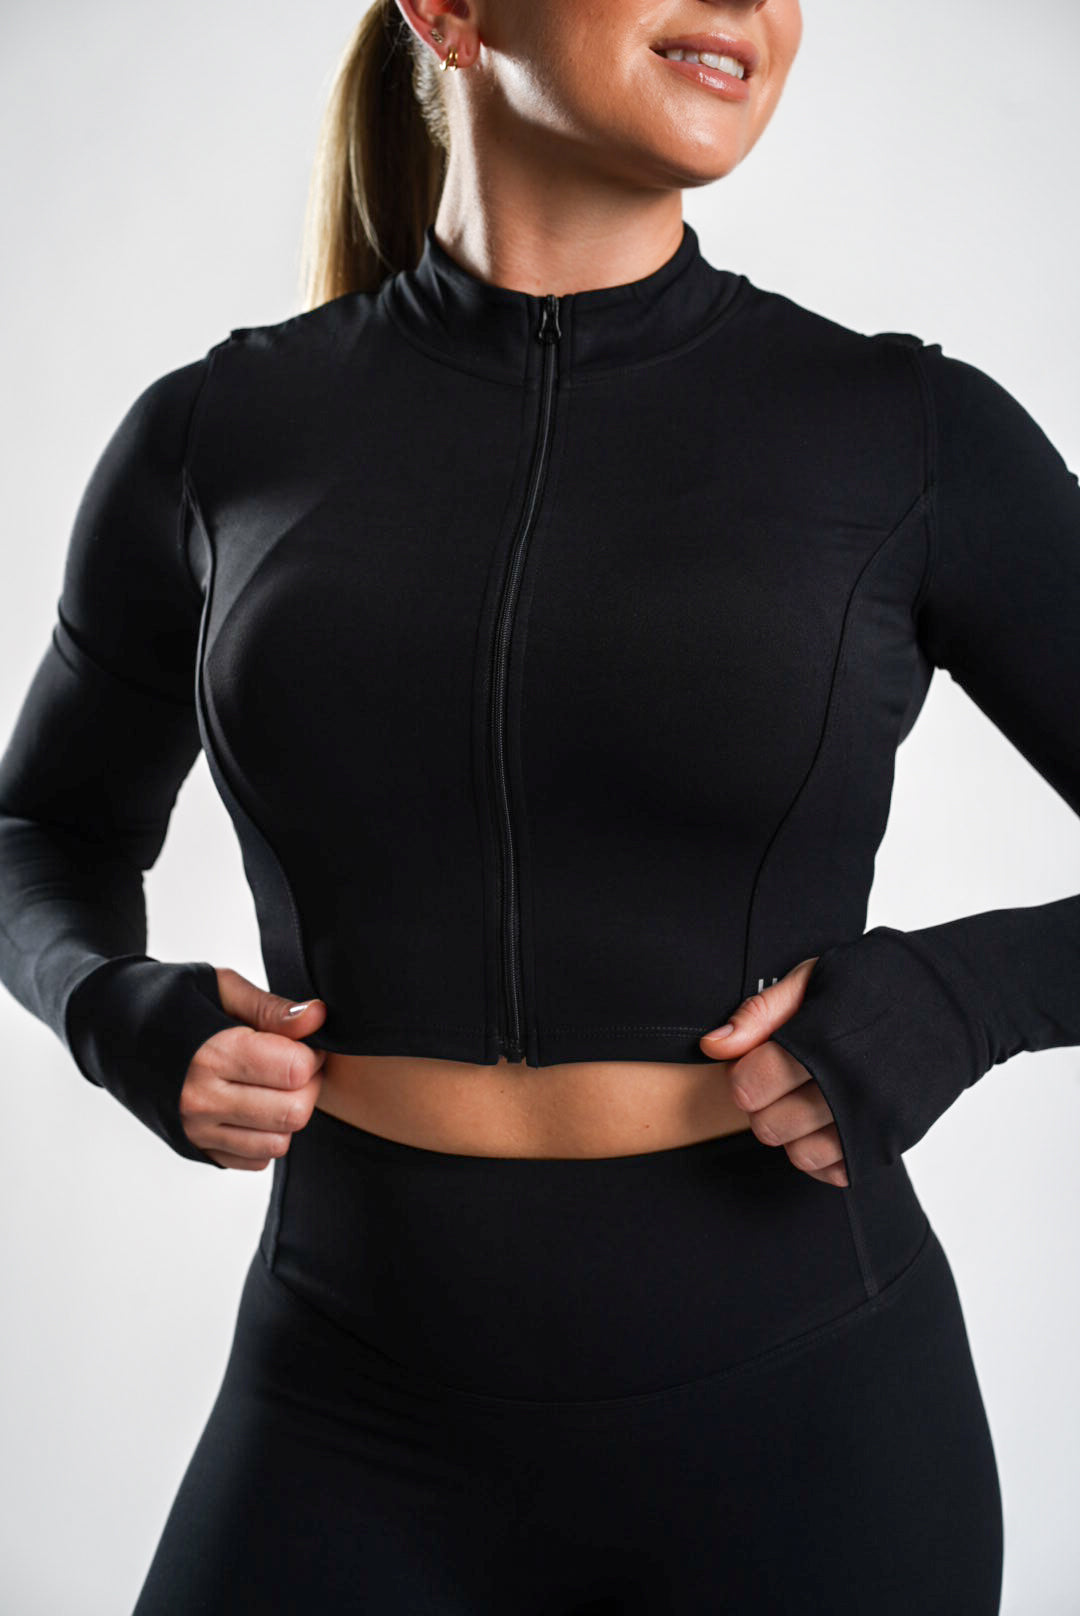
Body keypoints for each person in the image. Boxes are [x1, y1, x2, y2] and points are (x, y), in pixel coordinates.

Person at [3, 0, 1077, 1608]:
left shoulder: (906, 433)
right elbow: (41, 833)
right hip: (344, 1415)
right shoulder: (219, 434)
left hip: (807, 1440)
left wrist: (968, 994)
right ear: (447, 9)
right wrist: (108, 1009)